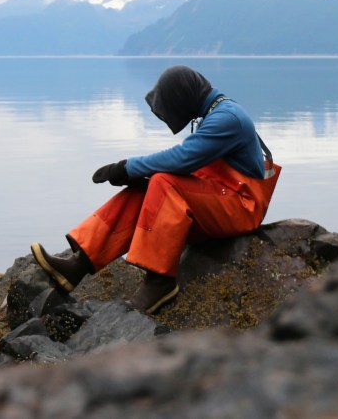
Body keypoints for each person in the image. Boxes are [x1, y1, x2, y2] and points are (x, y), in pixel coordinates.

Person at [31, 65, 281, 314]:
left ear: (183, 97)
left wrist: (128, 167)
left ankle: (160, 281)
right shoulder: (215, 113)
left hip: (241, 209)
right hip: (217, 205)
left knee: (162, 181)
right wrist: (140, 177)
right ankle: (78, 264)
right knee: (147, 189)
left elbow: (182, 158)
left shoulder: (228, 118)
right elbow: (191, 168)